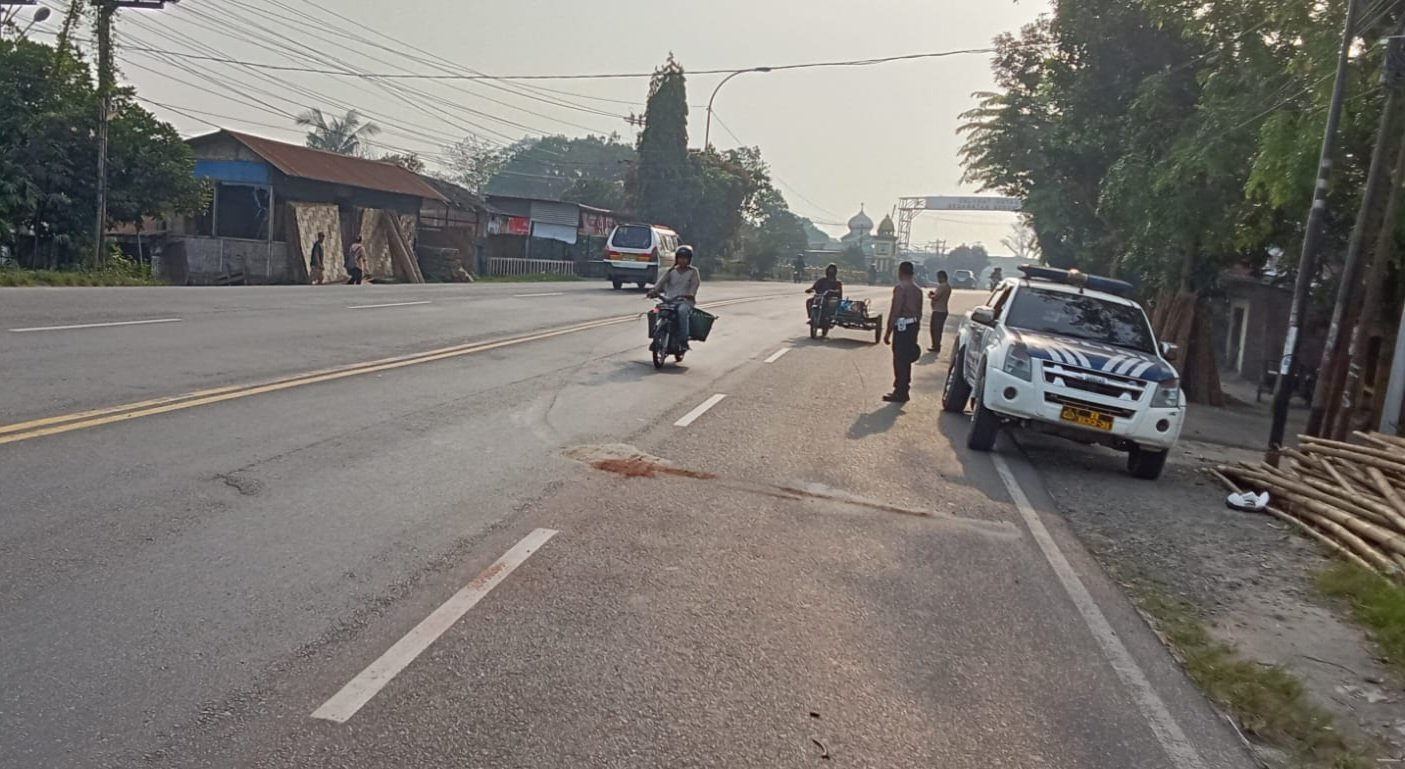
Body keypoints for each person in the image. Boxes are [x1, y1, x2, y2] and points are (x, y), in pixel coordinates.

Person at [883, 261, 924, 403]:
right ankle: (903, 388)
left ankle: (900, 391)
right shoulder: (918, 290)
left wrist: (888, 332)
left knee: (900, 359)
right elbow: (919, 312)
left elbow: (895, 311)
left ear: (900, 272)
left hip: (902, 326)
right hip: (913, 325)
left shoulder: (900, 288)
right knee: (906, 359)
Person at [647, 245, 700, 350]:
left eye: (685, 258)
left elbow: (694, 286)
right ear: (676, 258)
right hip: (669, 300)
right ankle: (655, 338)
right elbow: (660, 283)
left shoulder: (693, 272)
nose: (682, 260)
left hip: (685, 301)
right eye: (680, 257)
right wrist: (653, 291)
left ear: (689, 259)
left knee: (682, 311)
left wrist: (690, 294)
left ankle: (683, 340)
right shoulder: (671, 271)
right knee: (658, 310)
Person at [927, 270, 952, 354]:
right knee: (938, 329)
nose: (938, 279)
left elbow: (936, 297)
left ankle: (936, 345)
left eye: (938, 278)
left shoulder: (942, 286)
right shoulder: (947, 286)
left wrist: (930, 295)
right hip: (943, 310)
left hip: (938, 310)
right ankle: (936, 345)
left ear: (942, 277)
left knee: (935, 329)